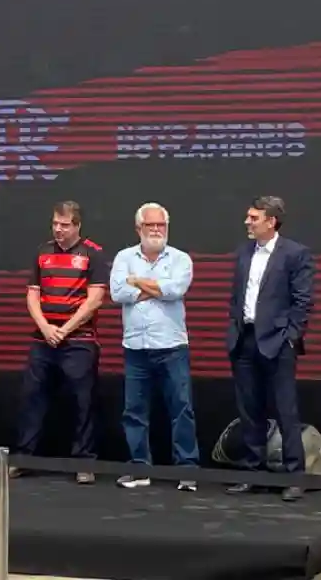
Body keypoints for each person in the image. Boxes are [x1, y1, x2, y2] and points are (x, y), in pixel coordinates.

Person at [225, 195, 315, 502]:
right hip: (244, 339)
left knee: (285, 409)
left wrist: (290, 336)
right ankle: (253, 473)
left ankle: (294, 477)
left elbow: (303, 300)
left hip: (278, 342)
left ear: (271, 221)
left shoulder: (295, 253)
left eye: (254, 217)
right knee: (250, 410)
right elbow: (237, 297)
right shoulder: (243, 252)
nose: (247, 222)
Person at [14, 200, 108, 484]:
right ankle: (23, 458)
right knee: (32, 397)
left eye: (64, 225)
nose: (58, 229)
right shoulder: (43, 252)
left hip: (79, 339)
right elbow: (32, 295)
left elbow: (95, 300)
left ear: (77, 226)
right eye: (55, 223)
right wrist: (45, 327)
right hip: (43, 339)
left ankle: (84, 461)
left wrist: (64, 329)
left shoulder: (93, 253)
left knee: (82, 401)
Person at [109, 202, 200, 491]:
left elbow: (176, 291)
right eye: (151, 226)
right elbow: (117, 292)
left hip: (172, 346)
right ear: (139, 229)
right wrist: (155, 288)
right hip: (136, 347)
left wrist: (138, 282)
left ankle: (188, 470)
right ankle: (139, 469)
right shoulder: (124, 257)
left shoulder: (180, 259)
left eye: (162, 225)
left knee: (181, 408)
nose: (157, 230)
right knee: (134, 411)